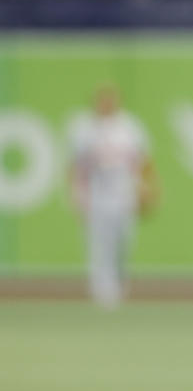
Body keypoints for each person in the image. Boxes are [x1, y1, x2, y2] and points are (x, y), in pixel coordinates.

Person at [68, 84, 157, 308]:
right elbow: (77, 166)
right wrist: (78, 194)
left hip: (124, 194)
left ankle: (119, 284)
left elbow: (143, 160)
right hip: (98, 196)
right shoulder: (85, 129)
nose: (106, 104)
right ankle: (102, 291)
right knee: (99, 244)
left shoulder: (130, 127)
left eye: (110, 100)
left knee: (123, 242)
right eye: (102, 100)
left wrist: (147, 187)